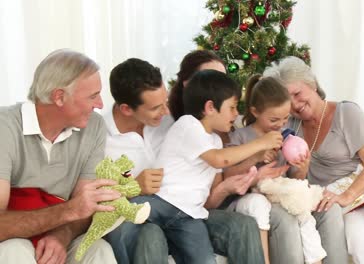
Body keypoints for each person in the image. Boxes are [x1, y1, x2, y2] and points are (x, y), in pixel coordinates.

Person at [104, 57, 270, 264]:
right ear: (127, 109)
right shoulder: (101, 140)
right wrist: (133, 186)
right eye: (156, 107)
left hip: (189, 214)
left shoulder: (174, 125)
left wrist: (228, 186)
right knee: (145, 230)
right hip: (155, 208)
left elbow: (210, 189)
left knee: (240, 227)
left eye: (165, 101)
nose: (166, 111)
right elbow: (97, 200)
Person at [263, 56, 364, 264]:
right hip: (353, 205)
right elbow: (298, 181)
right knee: (358, 239)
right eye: (287, 100)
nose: (295, 104)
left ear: (311, 84)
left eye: (297, 93)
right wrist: (301, 171)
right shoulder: (290, 129)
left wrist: (348, 195)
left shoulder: (346, 113)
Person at [169, 50, 307, 264]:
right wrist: (258, 154)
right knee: (257, 214)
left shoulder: (221, 132)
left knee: (292, 216)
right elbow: (220, 163)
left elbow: (214, 191)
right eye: (214, 81)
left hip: (207, 208)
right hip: (190, 211)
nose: (281, 124)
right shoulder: (188, 127)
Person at [0, 49, 118, 264]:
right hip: (10, 239)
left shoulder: (94, 126)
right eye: (93, 96)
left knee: (99, 250)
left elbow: (85, 206)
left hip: (60, 233)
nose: (100, 104)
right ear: (59, 97)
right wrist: (69, 210)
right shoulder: (4, 127)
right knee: (15, 250)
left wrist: (60, 236)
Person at [224, 74, 327, 264]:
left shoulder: (284, 137)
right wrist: (256, 158)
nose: (280, 125)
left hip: (278, 196)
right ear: (255, 112)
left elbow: (290, 179)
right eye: (274, 120)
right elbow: (226, 175)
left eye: (285, 118)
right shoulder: (239, 137)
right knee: (268, 207)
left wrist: (301, 169)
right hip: (246, 199)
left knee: (304, 215)